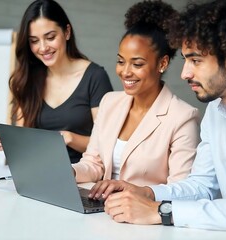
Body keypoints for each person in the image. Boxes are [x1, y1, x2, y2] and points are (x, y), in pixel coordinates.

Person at [102, 0, 226, 233]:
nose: (185, 73)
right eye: (185, 60)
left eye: (196, 60)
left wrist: (159, 211)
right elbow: (202, 186)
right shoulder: (216, 109)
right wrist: (148, 193)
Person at [0, 0, 113, 183]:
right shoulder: (29, 78)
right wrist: (8, 141)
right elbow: (23, 140)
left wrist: (69, 138)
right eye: (34, 41)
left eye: (50, 37)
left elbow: (106, 146)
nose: (42, 48)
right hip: (34, 171)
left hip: (76, 173)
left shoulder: (95, 77)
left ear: (67, 32)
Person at [72, 0, 200, 199]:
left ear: (162, 63)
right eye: (121, 61)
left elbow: (182, 188)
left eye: (137, 64)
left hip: (143, 217)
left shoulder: (182, 117)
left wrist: (140, 194)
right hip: (102, 209)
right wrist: (69, 172)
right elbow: (94, 163)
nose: (125, 72)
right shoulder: (110, 102)